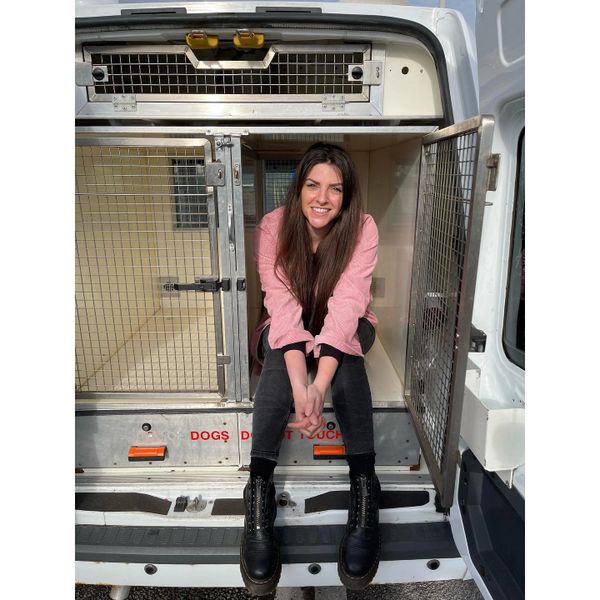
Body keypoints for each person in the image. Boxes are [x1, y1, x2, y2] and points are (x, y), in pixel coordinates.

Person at [240, 143, 380, 596]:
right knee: (282, 357)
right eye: (313, 185)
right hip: (286, 327)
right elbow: (281, 307)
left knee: (348, 357)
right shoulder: (274, 226)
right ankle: (258, 496)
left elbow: (347, 307)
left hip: (346, 324)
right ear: (298, 188)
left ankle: (364, 491)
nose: (323, 198)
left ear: (347, 194)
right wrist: (301, 384)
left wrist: (320, 384)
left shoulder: (362, 228)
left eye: (335, 189)